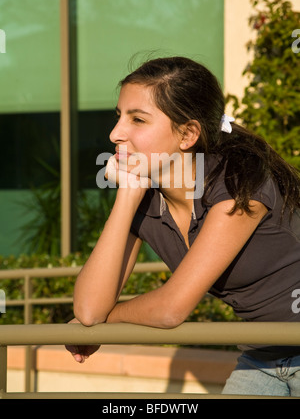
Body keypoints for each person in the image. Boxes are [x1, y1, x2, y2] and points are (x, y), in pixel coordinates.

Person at [66, 56, 300, 396]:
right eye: (119, 116)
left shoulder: (237, 183)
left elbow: (171, 310)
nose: (116, 133)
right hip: (264, 354)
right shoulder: (146, 198)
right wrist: (128, 196)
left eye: (138, 120)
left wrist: (110, 319)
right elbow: (88, 310)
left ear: (187, 134)